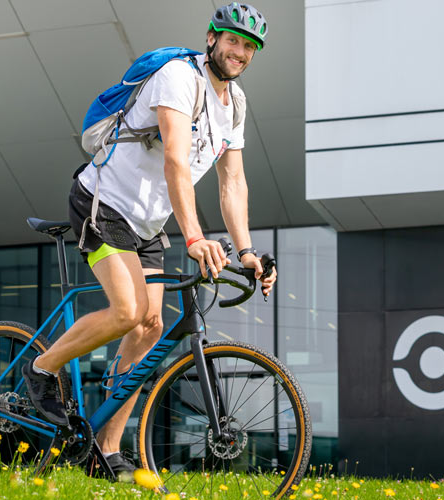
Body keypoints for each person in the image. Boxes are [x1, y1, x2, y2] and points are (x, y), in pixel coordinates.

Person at [21, 2, 275, 476]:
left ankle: (106, 450)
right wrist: (194, 237)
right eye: (232, 40)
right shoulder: (179, 77)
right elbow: (175, 159)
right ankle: (41, 368)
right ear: (212, 38)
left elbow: (232, 182)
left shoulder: (235, 104)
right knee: (128, 311)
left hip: (146, 224)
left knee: (149, 327)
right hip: (103, 202)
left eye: (249, 46)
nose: (239, 52)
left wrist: (245, 251)